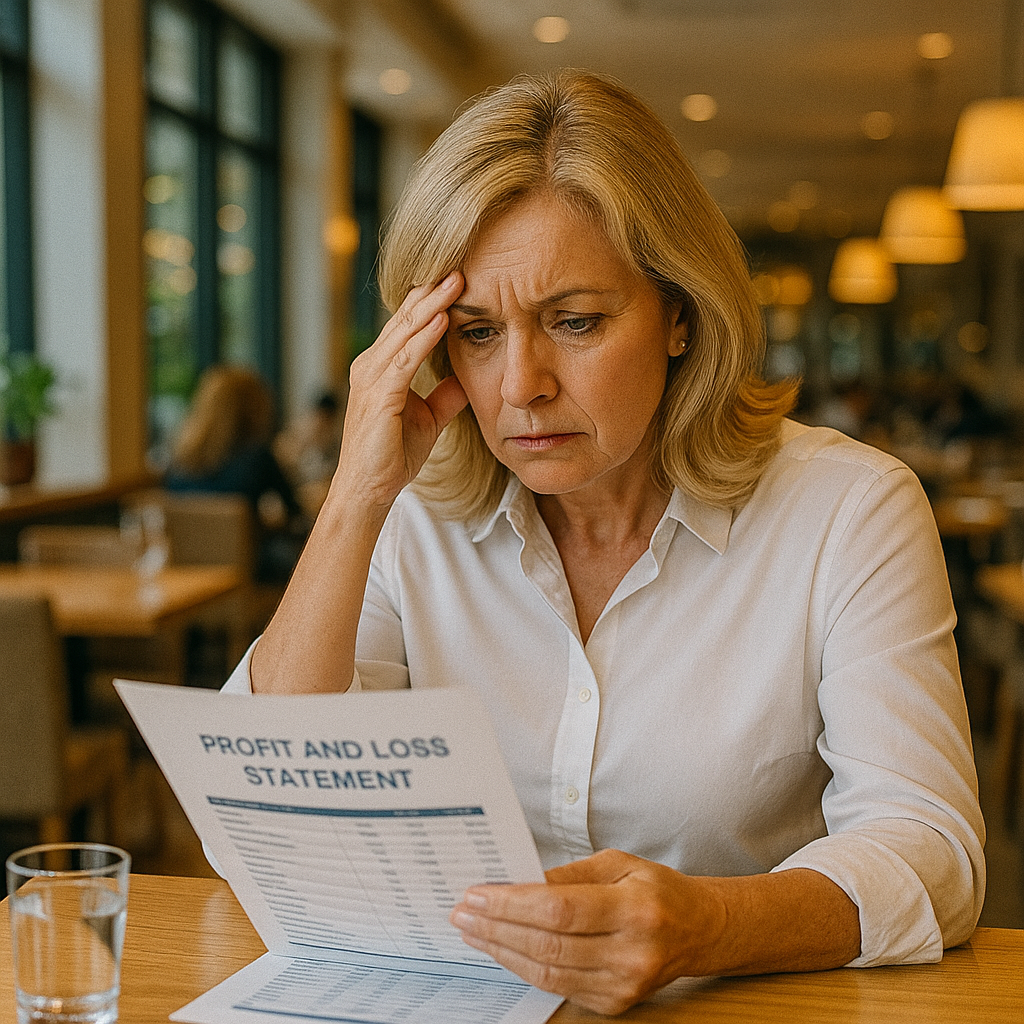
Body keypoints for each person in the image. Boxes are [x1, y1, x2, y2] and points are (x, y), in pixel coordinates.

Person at [222, 71, 985, 1015]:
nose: (521, 385)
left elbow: (931, 848)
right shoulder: (408, 515)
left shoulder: (849, 510)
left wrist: (710, 924)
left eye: (575, 322)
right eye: (475, 333)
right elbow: (266, 809)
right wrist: (354, 495)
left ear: (678, 312)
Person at [165, 364, 306, 584]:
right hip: (244, 574)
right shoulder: (257, 456)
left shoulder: (179, 460)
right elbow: (294, 513)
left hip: (184, 575)